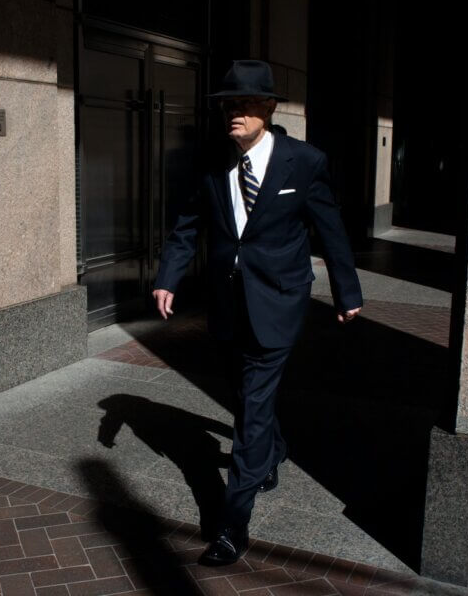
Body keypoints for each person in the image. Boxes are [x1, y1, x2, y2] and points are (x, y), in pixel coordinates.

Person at [152, 60, 363, 566]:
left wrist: (346, 290)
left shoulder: (304, 162)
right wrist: (167, 278)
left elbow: (329, 229)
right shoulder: (210, 163)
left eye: (244, 104)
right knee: (246, 394)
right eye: (228, 104)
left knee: (251, 409)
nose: (233, 113)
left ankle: (232, 522)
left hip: (279, 300)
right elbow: (187, 227)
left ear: (268, 108)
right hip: (227, 304)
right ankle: (271, 450)